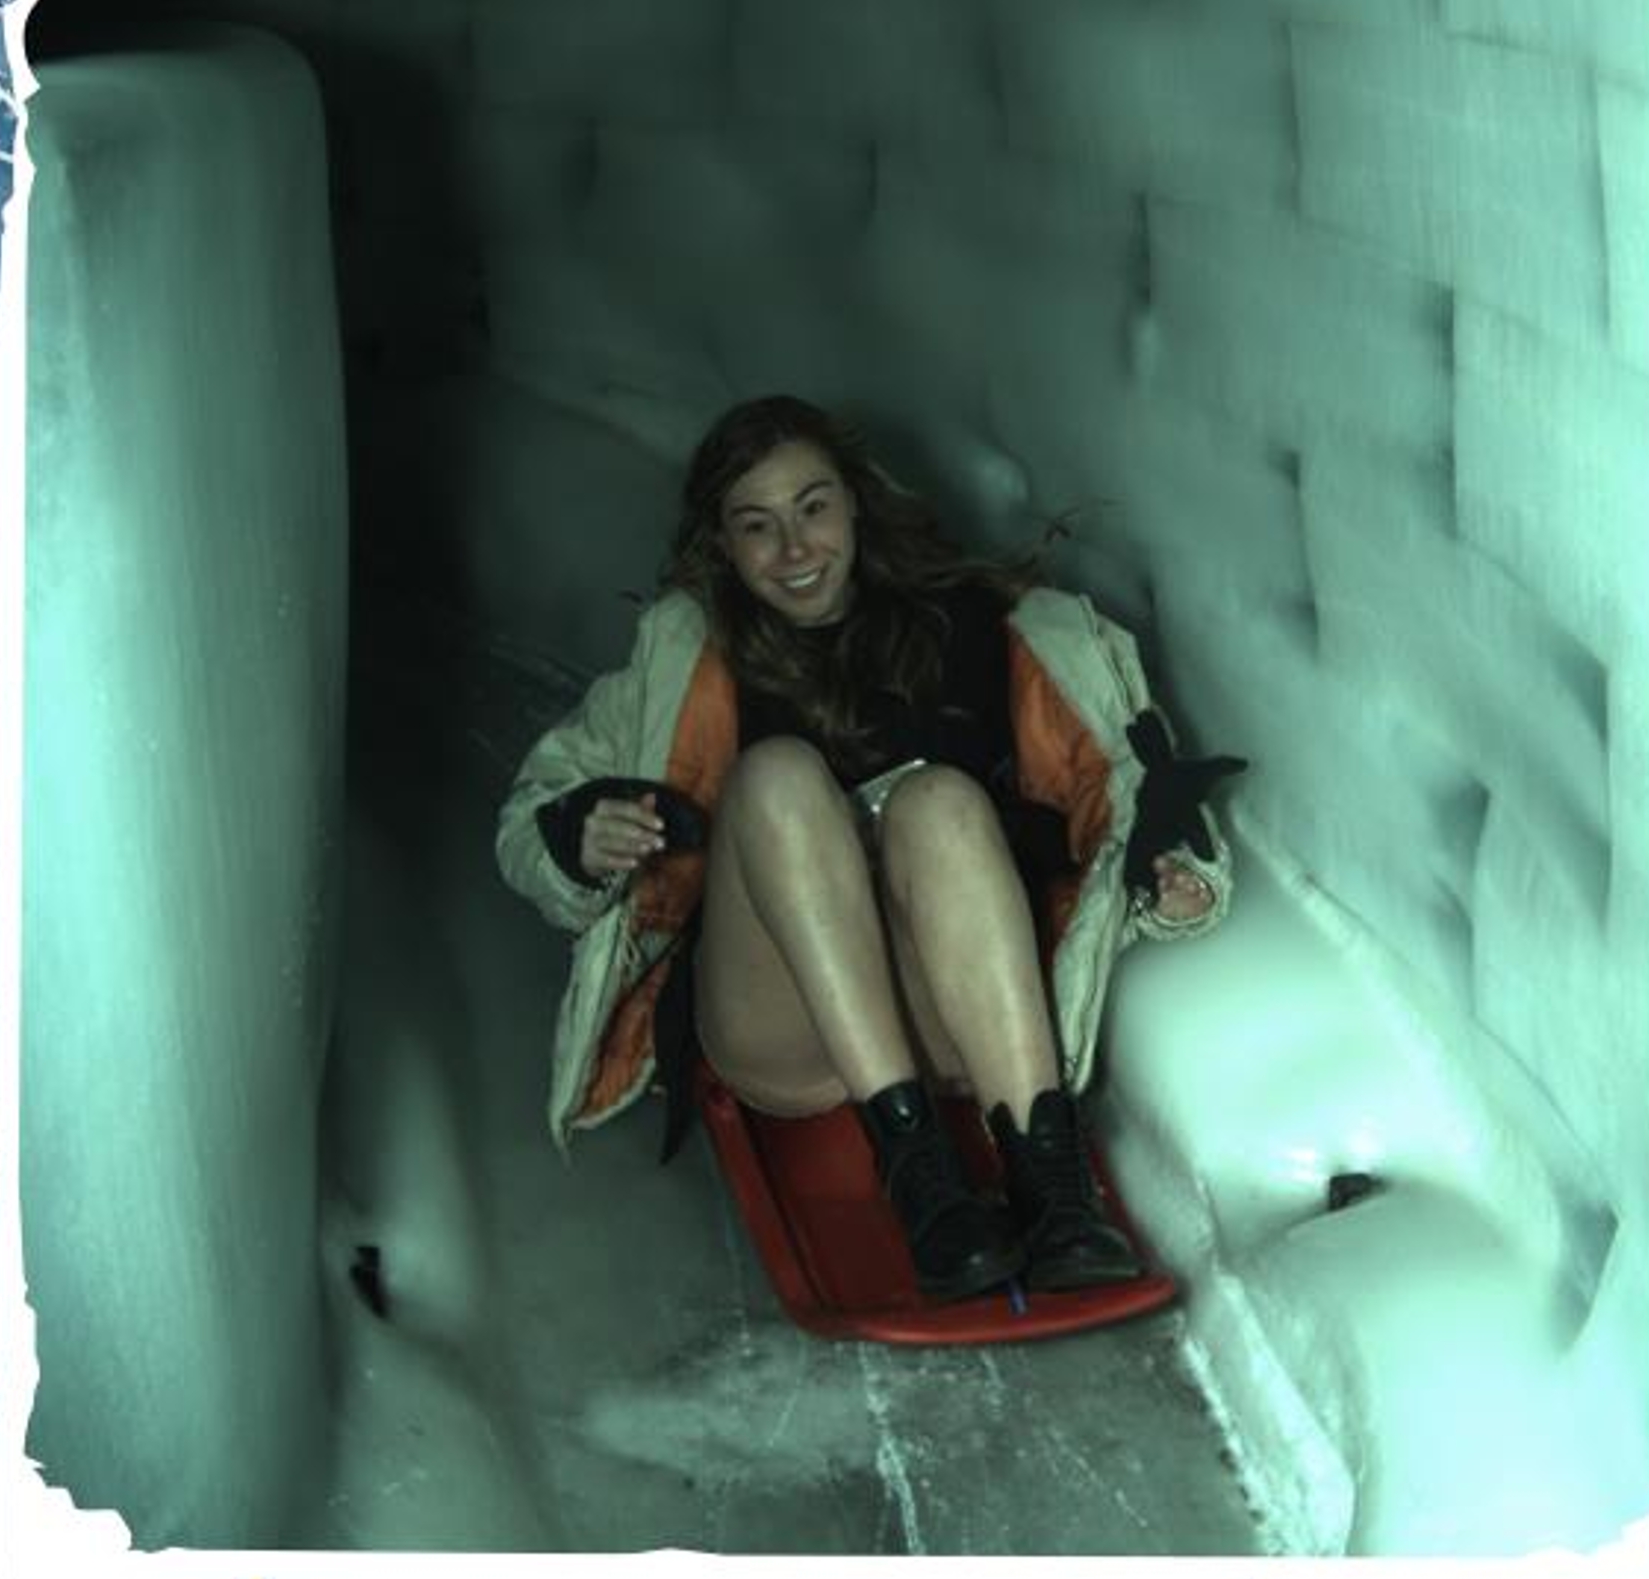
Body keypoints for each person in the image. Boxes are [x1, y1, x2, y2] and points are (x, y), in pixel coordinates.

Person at [496, 395, 1236, 1306]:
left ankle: (1053, 1186)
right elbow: (530, 813)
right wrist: (579, 834)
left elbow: (1127, 773)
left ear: (854, 501)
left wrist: (1170, 871)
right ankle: (924, 1182)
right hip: (785, 1026)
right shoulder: (690, 654)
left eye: (812, 508)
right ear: (722, 543)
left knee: (939, 799)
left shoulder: (980, 625)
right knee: (776, 777)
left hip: (950, 1013)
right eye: (756, 526)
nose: (794, 549)